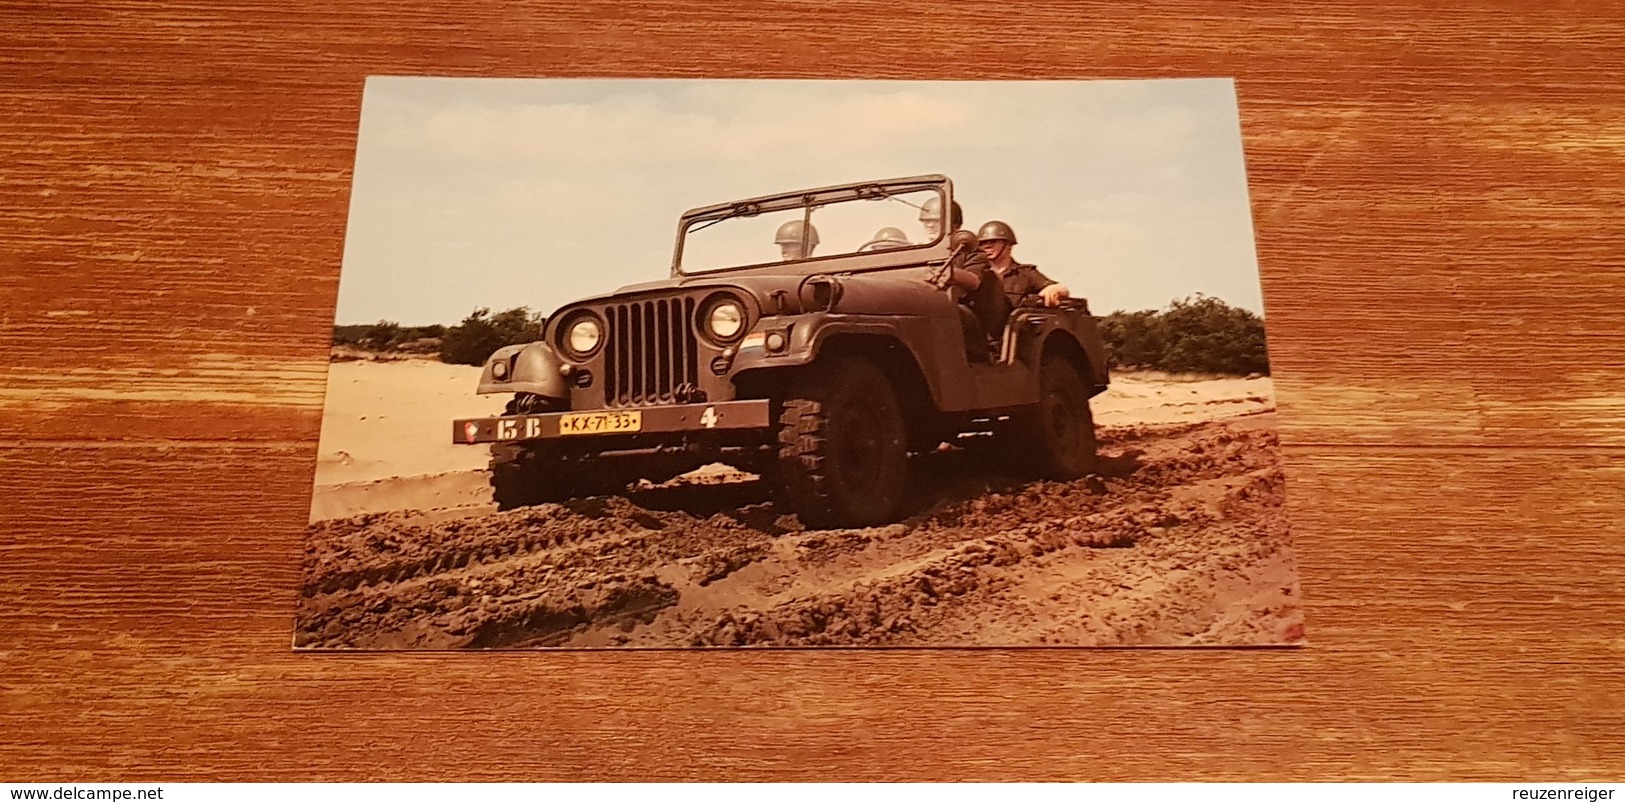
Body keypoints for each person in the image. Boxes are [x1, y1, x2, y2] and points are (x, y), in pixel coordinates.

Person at [924, 198, 1009, 362]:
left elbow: (974, 280)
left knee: (959, 314)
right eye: (926, 221)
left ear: (954, 225)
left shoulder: (970, 251)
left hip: (964, 314)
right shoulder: (922, 252)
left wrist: (951, 273)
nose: (929, 225)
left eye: (935, 221)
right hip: (929, 305)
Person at [976, 220, 1070, 308]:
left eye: (993, 241)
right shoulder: (976, 272)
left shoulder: (1025, 273)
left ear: (1008, 245)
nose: (987, 246)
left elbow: (1060, 288)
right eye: (983, 243)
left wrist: (1052, 290)